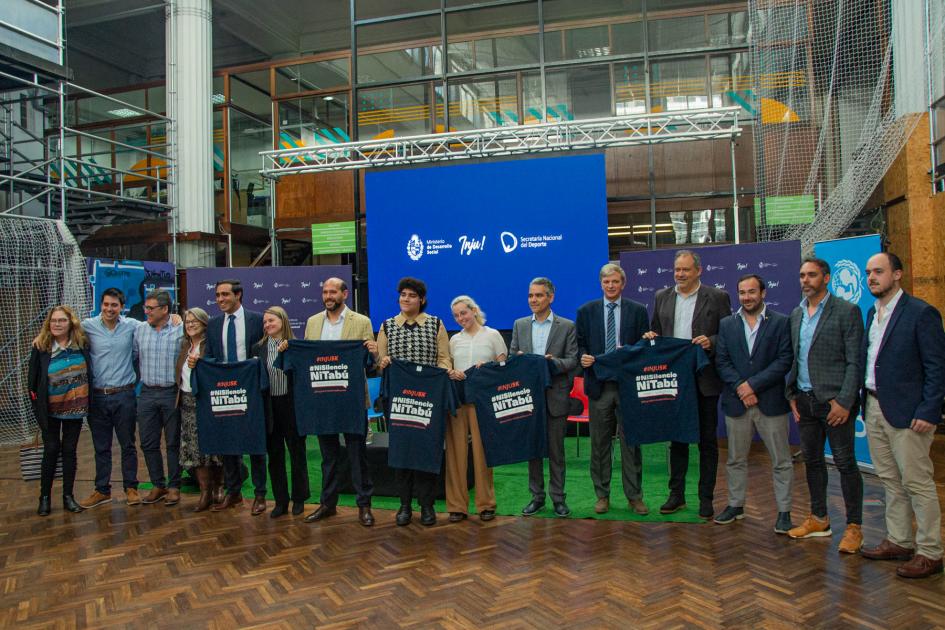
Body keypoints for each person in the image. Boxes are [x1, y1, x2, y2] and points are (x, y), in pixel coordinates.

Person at [858, 253, 945, 578]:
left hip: (910, 413)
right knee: (890, 480)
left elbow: (937, 368)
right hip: (875, 406)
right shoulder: (872, 313)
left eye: (878, 272)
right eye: (868, 273)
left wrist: (929, 410)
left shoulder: (921, 313)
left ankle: (931, 552)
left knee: (917, 482)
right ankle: (900, 540)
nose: (871, 278)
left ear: (897, 274)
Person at [785, 257, 865, 553]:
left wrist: (844, 401)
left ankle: (855, 527)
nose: (805, 280)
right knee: (813, 462)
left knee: (845, 464)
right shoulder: (796, 314)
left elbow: (855, 361)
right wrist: (791, 395)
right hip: (804, 402)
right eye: (802, 275)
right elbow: (795, 357)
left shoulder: (847, 311)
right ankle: (819, 518)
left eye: (812, 275)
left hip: (835, 405)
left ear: (827, 278)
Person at [646, 249, 731, 520]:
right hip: (674, 381)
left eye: (685, 270)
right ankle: (677, 496)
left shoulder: (717, 297)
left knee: (707, 442)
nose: (680, 274)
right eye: (677, 270)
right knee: (677, 441)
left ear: (698, 271)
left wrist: (712, 342)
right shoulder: (661, 297)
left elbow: (727, 334)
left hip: (705, 379)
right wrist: (651, 337)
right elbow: (657, 333)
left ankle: (706, 498)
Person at [714, 274, 795, 534]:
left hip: (770, 402)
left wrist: (753, 386)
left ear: (763, 293)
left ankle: (784, 512)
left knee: (781, 460)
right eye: (742, 292)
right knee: (735, 459)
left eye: (751, 292)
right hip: (737, 403)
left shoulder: (781, 322)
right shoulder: (727, 324)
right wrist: (741, 387)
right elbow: (722, 361)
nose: (746, 297)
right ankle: (736, 505)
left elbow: (784, 360)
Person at [300, 278, 378, 527]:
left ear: (345, 294)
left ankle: (364, 505)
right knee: (328, 456)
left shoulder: (362, 322)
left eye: (333, 291)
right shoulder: (312, 322)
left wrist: (373, 352)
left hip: (352, 399)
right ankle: (328, 503)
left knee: (358, 454)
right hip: (322, 399)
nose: (328, 296)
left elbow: (369, 363)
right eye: (324, 292)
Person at [377, 277, 452, 527]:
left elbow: (444, 359)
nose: (405, 299)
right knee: (401, 452)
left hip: (427, 402)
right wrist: (383, 363)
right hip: (399, 403)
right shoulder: (387, 326)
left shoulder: (435, 324)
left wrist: (438, 379)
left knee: (426, 451)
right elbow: (380, 362)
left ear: (421, 299)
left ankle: (427, 505)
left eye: (411, 295)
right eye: (402, 295)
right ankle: (405, 505)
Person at [577, 263, 650, 516]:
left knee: (632, 443)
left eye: (615, 282)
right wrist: (583, 357)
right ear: (601, 284)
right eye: (606, 282)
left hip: (628, 387)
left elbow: (643, 346)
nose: (611, 286)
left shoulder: (638, 311)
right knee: (599, 444)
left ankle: (634, 496)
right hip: (599, 386)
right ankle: (602, 495)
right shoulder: (586, 311)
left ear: (623, 283)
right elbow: (580, 345)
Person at [511, 277, 578, 518]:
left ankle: (558, 499)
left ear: (551, 297)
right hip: (528, 399)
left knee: (556, 452)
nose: (533, 300)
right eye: (531, 295)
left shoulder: (567, 326)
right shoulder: (519, 325)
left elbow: (573, 360)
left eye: (539, 295)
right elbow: (511, 357)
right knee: (533, 451)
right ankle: (536, 497)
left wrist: (552, 363)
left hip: (555, 398)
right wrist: (518, 359)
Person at [79, 288, 142, 509]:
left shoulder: (132, 326)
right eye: (106, 304)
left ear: (121, 307)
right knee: (101, 447)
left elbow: (157, 322)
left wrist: (174, 316)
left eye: (114, 305)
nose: (109, 309)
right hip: (97, 397)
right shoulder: (87, 326)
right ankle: (102, 490)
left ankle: (131, 488)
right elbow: (62, 327)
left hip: (124, 395)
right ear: (101, 305)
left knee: (128, 445)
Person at [446, 295, 507, 523]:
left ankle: (486, 504)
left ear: (474, 310)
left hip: (483, 402)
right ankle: (457, 506)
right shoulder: (454, 340)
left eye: (464, 312)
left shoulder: (493, 335)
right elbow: (449, 368)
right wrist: (452, 373)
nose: (461, 318)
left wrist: (488, 367)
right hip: (459, 400)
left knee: (482, 453)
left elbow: (503, 367)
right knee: (455, 454)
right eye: (456, 315)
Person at [28, 306, 92, 516]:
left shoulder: (81, 344)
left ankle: (68, 496)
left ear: (70, 323)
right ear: (49, 323)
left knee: (69, 451)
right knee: (51, 449)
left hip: (75, 408)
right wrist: (39, 411)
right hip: (50, 411)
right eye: (54, 320)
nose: (57, 324)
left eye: (62, 320)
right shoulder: (41, 346)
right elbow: (32, 383)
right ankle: (44, 497)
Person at [251, 306, 310, 519]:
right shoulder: (258, 348)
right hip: (269, 407)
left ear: (283, 321)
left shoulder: (294, 346)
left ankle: (299, 499)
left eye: (271, 321)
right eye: (265, 322)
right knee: (274, 456)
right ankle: (280, 501)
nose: (267, 325)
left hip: (291, 406)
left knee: (297, 453)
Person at [134, 290, 184, 506]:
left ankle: (174, 487)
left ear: (165, 309)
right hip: (146, 393)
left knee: (173, 442)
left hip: (171, 393)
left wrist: (181, 316)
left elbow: (202, 324)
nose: (146, 312)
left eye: (151, 308)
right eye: (146, 308)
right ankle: (158, 485)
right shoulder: (139, 330)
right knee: (147, 442)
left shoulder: (181, 330)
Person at [176, 307, 223, 512]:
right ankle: (204, 492)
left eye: (195, 321)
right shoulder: (183, 345)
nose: (191, 325)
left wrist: (202, 362)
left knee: (216, 446)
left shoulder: (212, 345)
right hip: (187, 401)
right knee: (195, 449)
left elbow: (217, 368)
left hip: (208, 402)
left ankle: (219, 488)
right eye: (187, 322)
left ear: (205, 324)